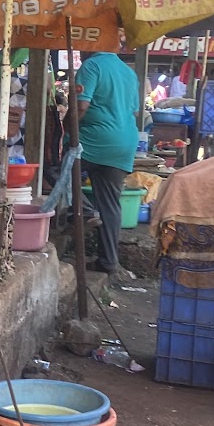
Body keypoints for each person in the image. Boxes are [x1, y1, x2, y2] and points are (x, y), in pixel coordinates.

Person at [75, 49, 141, 275]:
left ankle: (86, 210)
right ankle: (108, 262)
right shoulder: (128, 72)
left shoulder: (91, 66)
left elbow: (81, 106)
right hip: (125, 142)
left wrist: (66, 126)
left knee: (56, 170)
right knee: (111, 205)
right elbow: (133, 113)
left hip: (95, 139)